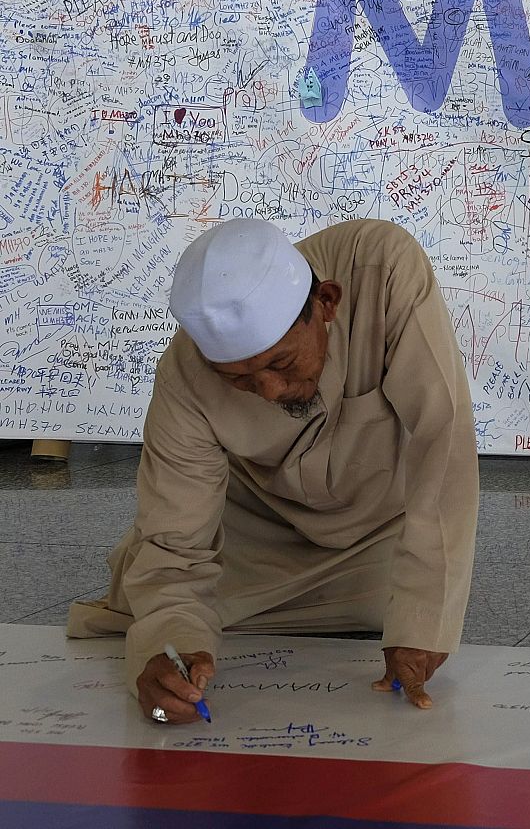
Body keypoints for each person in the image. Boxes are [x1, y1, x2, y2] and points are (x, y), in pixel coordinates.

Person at [68, 218, 480, 723]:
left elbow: (444, 444)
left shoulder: (383, 269)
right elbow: (176, 546)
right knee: (146, 605)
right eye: (238, 380)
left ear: (327, 304)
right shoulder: (185, 376)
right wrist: (170, 646)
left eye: (282, 364)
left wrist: (420, 626)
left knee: (408, 604)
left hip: (375, 541)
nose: (269, 391)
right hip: (256, 543)